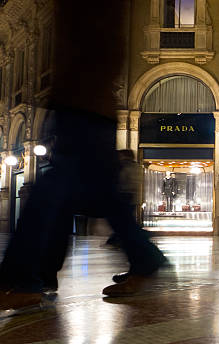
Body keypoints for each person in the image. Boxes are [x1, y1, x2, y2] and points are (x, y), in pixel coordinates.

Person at [0, 0, 167, 310]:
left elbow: (99, 44)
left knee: (47, 193)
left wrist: (73, 94)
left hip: (84, 107)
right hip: (84, 106)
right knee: (96, 199)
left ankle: (21, 278)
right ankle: (143, 259)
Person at [105, 150, 145, 247]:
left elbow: (121, 181)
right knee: (126, 220)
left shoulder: (124, 166)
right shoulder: (138, 167)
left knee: (122, 221)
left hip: (125, 197)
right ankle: (117, 239)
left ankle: (118, 239)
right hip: (134, 198)